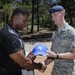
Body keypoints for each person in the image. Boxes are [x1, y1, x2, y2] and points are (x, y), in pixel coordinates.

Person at [0, 7, 46, 75]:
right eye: (24, 21)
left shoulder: (14, 32)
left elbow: (15, 57)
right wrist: (39, 66)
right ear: (16, 17)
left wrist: (26, 58)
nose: (26, 24)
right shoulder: (9, 34)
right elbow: (23, 63)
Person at [40, 5, 75, 75]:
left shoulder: (71, 32)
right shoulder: (55, 34)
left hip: (68, 72)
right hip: (56, 72)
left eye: (55, 15)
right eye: (52, 16)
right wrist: (45, 63)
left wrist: (57, 55)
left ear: (62, 13)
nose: (53, 18)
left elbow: (74, 54)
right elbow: (52, 54)